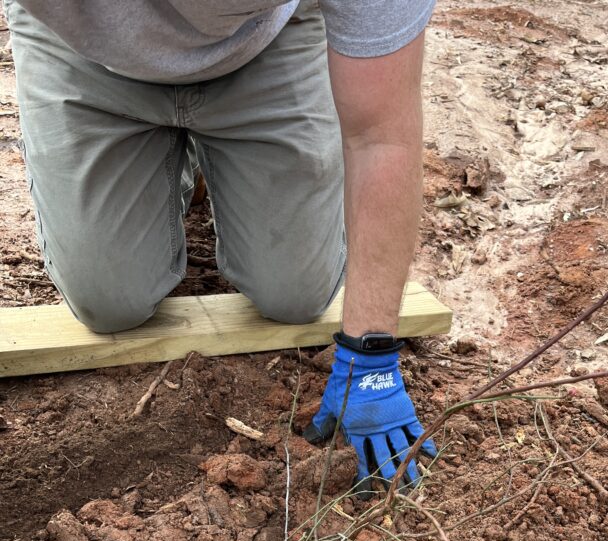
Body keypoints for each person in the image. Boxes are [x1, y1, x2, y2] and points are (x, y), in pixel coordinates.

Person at [5, 0, 438, 495]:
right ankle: (172, 167)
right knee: (109, 303)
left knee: (295, 296)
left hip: (266, 50)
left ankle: (224, 156)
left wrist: (373, 351)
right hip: (86, 57)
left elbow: (381, 137)